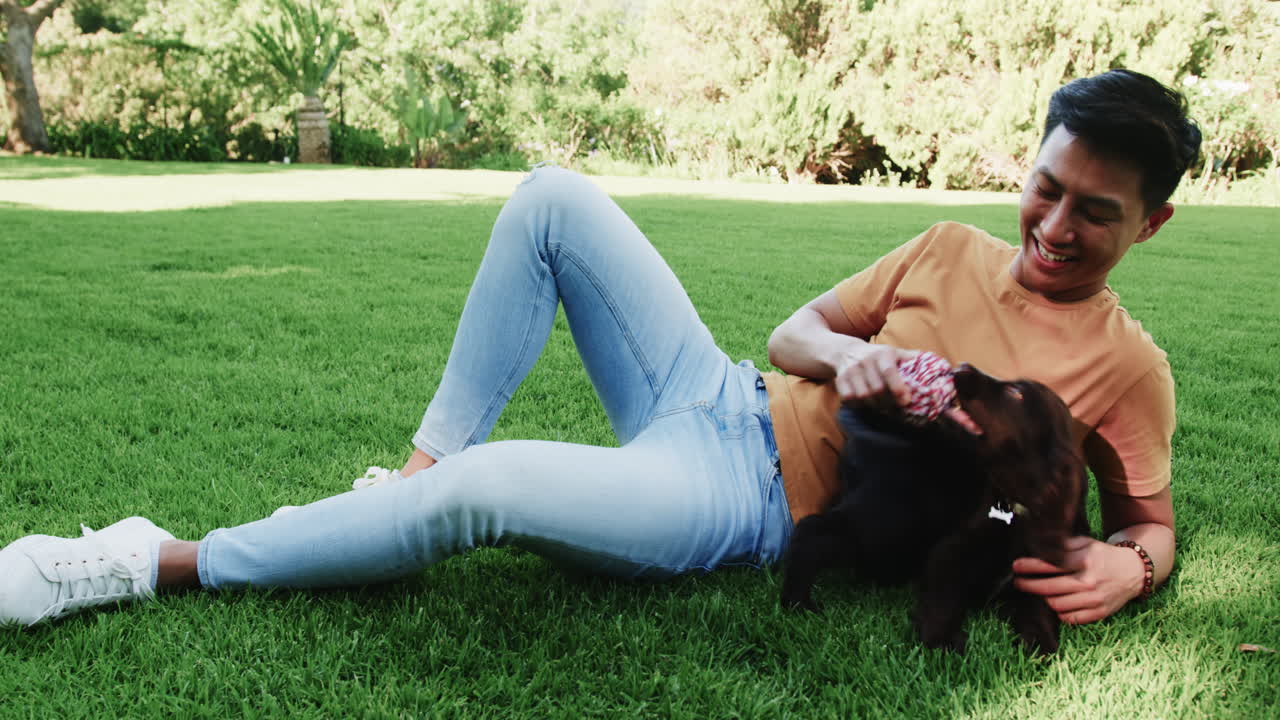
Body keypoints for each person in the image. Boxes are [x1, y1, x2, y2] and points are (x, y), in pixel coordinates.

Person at [0, 68, 1200, 629]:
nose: (1050, 227)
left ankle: (146, 559)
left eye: (1093, 214)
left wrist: (1130, 568)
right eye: (1044, 188)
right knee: (551, 196)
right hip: (718, 395)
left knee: (493, 493)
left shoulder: (1124, 369)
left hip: (743, 499)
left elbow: (1145, 518)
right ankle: (408, 477)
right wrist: (846, 362)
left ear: (1145, 222)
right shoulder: (942, 244)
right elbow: (789, 333)